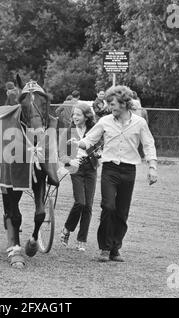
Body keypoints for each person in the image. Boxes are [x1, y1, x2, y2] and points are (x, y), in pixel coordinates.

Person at [71, 85, 158, 263]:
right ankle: (104, 247)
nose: (110, 107)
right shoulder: (105, 121)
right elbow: (90, 140)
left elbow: (148, 144)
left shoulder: (139, 123)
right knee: (108, 206)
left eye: (113, 104)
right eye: (109, 104)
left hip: (129, 170)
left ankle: (115, 249)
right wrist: (78, 143)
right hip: (109, 169)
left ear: (124, 103)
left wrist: (152, 167)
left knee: (122, 212)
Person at [60, 103, 100, 251]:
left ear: (86, 116)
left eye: (78, 114)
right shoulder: (68, 132)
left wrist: (92, 150)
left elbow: (98, 150)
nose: (75, 117)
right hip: (76, 168)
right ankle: (66, 229)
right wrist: (70, 161)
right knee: (80, 203)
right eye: (74, 114)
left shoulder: (94, 131)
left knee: (88, 206)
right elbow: (61, 154)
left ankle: (81, 240)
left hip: (91, 168)